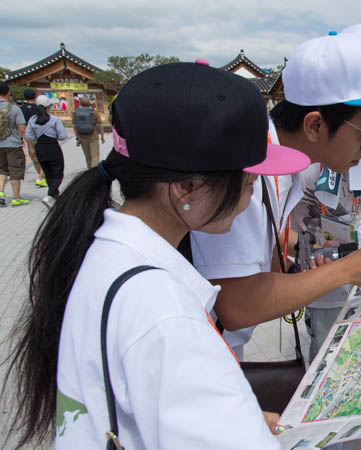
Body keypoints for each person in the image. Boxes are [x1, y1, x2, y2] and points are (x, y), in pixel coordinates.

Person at [4, 61, 311, 450]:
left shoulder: (106, 254)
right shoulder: (165, 313)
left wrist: (239, 423)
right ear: (188, 189)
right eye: (249, 182)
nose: (250, 197)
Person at [189, 31, 361, 362]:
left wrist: (299, 261)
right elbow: (237, 305)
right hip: (204, 356)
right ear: (315, 126)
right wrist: (347, 269)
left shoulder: (280, 163)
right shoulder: (249, 172)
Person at [24, 95, 68, 208]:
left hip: (40, 147)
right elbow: (63, 136)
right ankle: (49, 196)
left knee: (48, 173)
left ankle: (55, 196)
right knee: (58, 173)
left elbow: (29, 135)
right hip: (53, 147)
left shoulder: (32, 120)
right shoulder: (54, 119)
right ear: (48, 107)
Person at [0, 81, 29, 207]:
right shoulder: (14, 108)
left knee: (1, 169)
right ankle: (16, 198)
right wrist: (29, 144)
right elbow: (22, 128)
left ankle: (1, 193)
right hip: (12, 144)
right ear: (7, 93)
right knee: (15, 170)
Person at [19, 89, 47, 187]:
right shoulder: (39, 108)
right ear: (35, 97)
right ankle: (42, 176)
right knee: (44, 156)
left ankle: (41, 175)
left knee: (34, 157)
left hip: (29, 136)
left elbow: (20, 125)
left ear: (24, 97)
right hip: (41, 135)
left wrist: (21, 138)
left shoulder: (21, 109)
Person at [72, 95, 105, 168]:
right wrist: (102, 137)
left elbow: (74, 127)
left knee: (88, 157)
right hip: (93, 137)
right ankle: (93, 172)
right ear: (89, 103)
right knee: (95, 156)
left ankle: (89, 171)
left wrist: (78, 138)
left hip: (82, 138)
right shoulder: (94, 112)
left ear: (80, 103)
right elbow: (100, 125)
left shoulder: (75, 113)